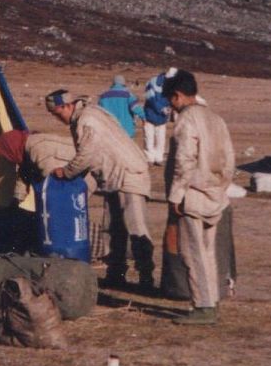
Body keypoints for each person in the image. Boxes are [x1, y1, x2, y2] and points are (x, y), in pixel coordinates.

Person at [45, 88, 154, 290]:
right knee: (112, 228)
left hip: (128, 174)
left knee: (136, 227)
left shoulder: (87, 120)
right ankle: (116, 274)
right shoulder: (89, 114)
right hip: (113, 176)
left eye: (57, 113)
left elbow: (86, 155)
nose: (57, 118)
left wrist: (66, 172)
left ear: (66, 106)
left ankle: (146, 277)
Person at [163, 69, 235, 325]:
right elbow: (229, 160)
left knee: (193, 252)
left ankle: (203, 305)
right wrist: (220, 186)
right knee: (208, 251)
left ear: (178, 96)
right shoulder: (216, 118)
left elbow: (185, 159)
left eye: (171, 99)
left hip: (192, 195)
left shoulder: (187, 120)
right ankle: (211, 300)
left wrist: (176, 194)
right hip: (215, 193)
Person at [140, 66, 178, 165]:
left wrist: (170, 107)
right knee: (149, 138)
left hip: (162, 118)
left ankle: (159, 159)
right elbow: (150, 99)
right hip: (150, 115)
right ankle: (149, 159)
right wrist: (161, 109)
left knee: (161, 139)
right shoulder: (152, 82)